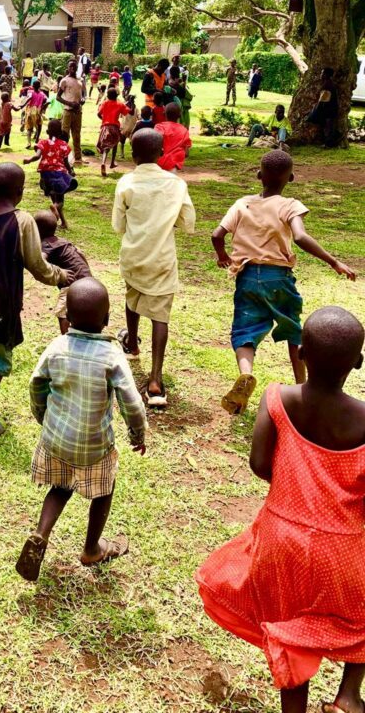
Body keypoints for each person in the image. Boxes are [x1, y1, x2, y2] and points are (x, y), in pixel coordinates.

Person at [196, 306, 365, 713]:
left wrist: (294, 489)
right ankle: (348, 696)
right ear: (358, 363)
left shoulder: (276, 398)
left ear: (302, 352)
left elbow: (258, 463)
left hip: (281, 541)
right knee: (360, 618)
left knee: (289, 635)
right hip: (343, 548)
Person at [16, 278, 147, 581]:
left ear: (69, 318)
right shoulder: (112, 356)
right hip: (94, 445)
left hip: (56, 439)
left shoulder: (56, 347)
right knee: (105, 487)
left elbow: (36, 385)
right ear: (106, 320)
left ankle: (41, 533)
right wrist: (137, 434)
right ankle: (92, 548)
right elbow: (132, 403)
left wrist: (42, 416)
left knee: (60, 487)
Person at [212, 150, 355, 414]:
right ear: (291, 178)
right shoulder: (290, 205)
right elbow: (299, 237)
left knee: (245, 330)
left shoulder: (243, 203)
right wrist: (333, 261)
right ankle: (303, 384)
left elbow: (217, 234)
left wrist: (223, 256)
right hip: (278, 278)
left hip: (247, 278)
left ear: (258, 175)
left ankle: (246, 374)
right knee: (293, 330)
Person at [0, 163, 70, 441]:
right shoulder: (23, 221)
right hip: (1, 300)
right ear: (20, 192)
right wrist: (61, 275)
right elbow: (37, 265)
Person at [112, 129, 196, 409]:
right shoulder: (176, 184)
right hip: (162, 257)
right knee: (161, 316)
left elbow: (118, 225)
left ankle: (132, 345)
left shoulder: (126, 182)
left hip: (134, 255)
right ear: (162, 154)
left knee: (132, 296)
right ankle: (155, 380)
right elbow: (188, 222)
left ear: (133, 155)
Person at [34, 210, 92, 335]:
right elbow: (80, 253)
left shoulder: (46, 244)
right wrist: (87, 273)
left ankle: (66, 338)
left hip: (72, 282)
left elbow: (40, 261)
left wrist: (58, 271)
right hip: (88, 278)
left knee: (63, 313)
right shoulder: (62, 241)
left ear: (37, 230)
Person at [24, 118, 77, 229]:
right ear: (60, 132)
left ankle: (63, 223)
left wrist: (28, 160)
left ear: (47, 131)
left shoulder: (43, 142)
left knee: (54, 197)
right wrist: (71, 171)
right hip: (59, 174)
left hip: (45, 175)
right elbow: (66, 163)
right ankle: (56, 207)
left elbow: (37, 156)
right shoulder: (63, 145)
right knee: (60, 201)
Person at [56, 59, 86, 163]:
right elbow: (58, 97)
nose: (72, 68)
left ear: (77, 68)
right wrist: (69, 103)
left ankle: (78, 157)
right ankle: (62, 156)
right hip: (68, 111)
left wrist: (82, 100)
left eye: (74, 67)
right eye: (70, 67)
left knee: (77, 135)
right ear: (68, 68)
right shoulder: (64, 80)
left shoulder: (79, 80)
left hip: (78, 111)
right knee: (65, 134)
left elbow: (82, 94)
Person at [97, 87, 129, 175]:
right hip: (115, 127)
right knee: (115, 143)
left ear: (107, 96)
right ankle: (112, 162)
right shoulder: (119, 104)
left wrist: (103, 120)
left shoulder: (105, 103)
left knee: (106, 146)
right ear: (116, 96)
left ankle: (103, 162)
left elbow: (98, 114)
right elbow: (127, 112)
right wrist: (130, 104)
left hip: (105, 127)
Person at [307, 67, 341, 148]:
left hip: (329, 109)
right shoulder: (328, 83)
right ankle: (330, 141)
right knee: (328, 126)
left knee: (328, 127)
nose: (321, 75)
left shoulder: (327, 85)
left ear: (326, 75)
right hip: (330, 109)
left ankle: (329, 144)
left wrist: (316, 109)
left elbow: (323, 99)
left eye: (322, 73)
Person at [156, 103, 192, 172]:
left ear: (164, 114)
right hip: (173, 166)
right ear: (179, 115)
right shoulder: (184, 130)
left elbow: (155, 142)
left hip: (158, 164)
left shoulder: (159, 127)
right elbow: (186, 153)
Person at [22, 78, 46, 148]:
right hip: (37, 112)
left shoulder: (30, 92)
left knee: (29, 128)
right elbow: (46, 100)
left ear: (32, 86)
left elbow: (29, 98)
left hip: (30, 111)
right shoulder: (42, 94)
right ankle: (37, 138)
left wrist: (23, 105)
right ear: (40, 86)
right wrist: (43, 108)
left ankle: (28, 143)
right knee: (39, 126)